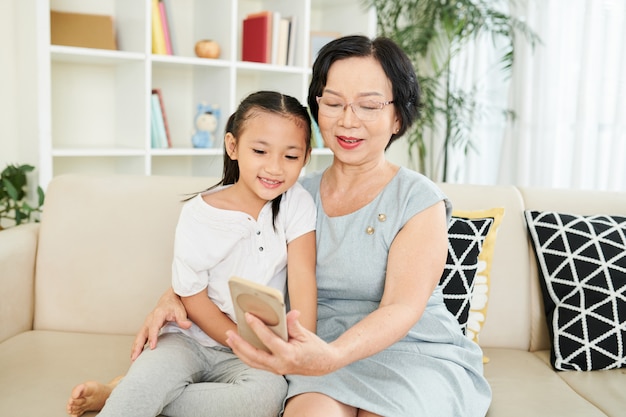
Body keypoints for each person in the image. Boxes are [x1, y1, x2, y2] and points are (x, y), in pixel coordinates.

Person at [78, 34, 493, 417]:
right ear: (317, 110)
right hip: (313, 347)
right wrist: (170, 297)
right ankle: (135, 393)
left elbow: (402, 306)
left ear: (398, 118)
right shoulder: (288, 192)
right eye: (333, 103)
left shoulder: (417, 199)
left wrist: (329, 356)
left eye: (368, 105)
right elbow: (230, 249)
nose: (348, 120)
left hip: (409, 349)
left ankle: (128, 392)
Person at [66, 90, 318, 417]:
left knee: (267, 398)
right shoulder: (199, 214)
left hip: (252, 355)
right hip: (188, 338)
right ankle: (130, 392)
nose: (274, 167)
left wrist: (302, 347)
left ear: (306, 157)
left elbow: (302, 277)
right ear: (233, 147)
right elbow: (194, 299)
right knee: (142, 390)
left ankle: (122, 389)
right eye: (260, 151)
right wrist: (242, 341)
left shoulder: (297, 203)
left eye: (290, 156)